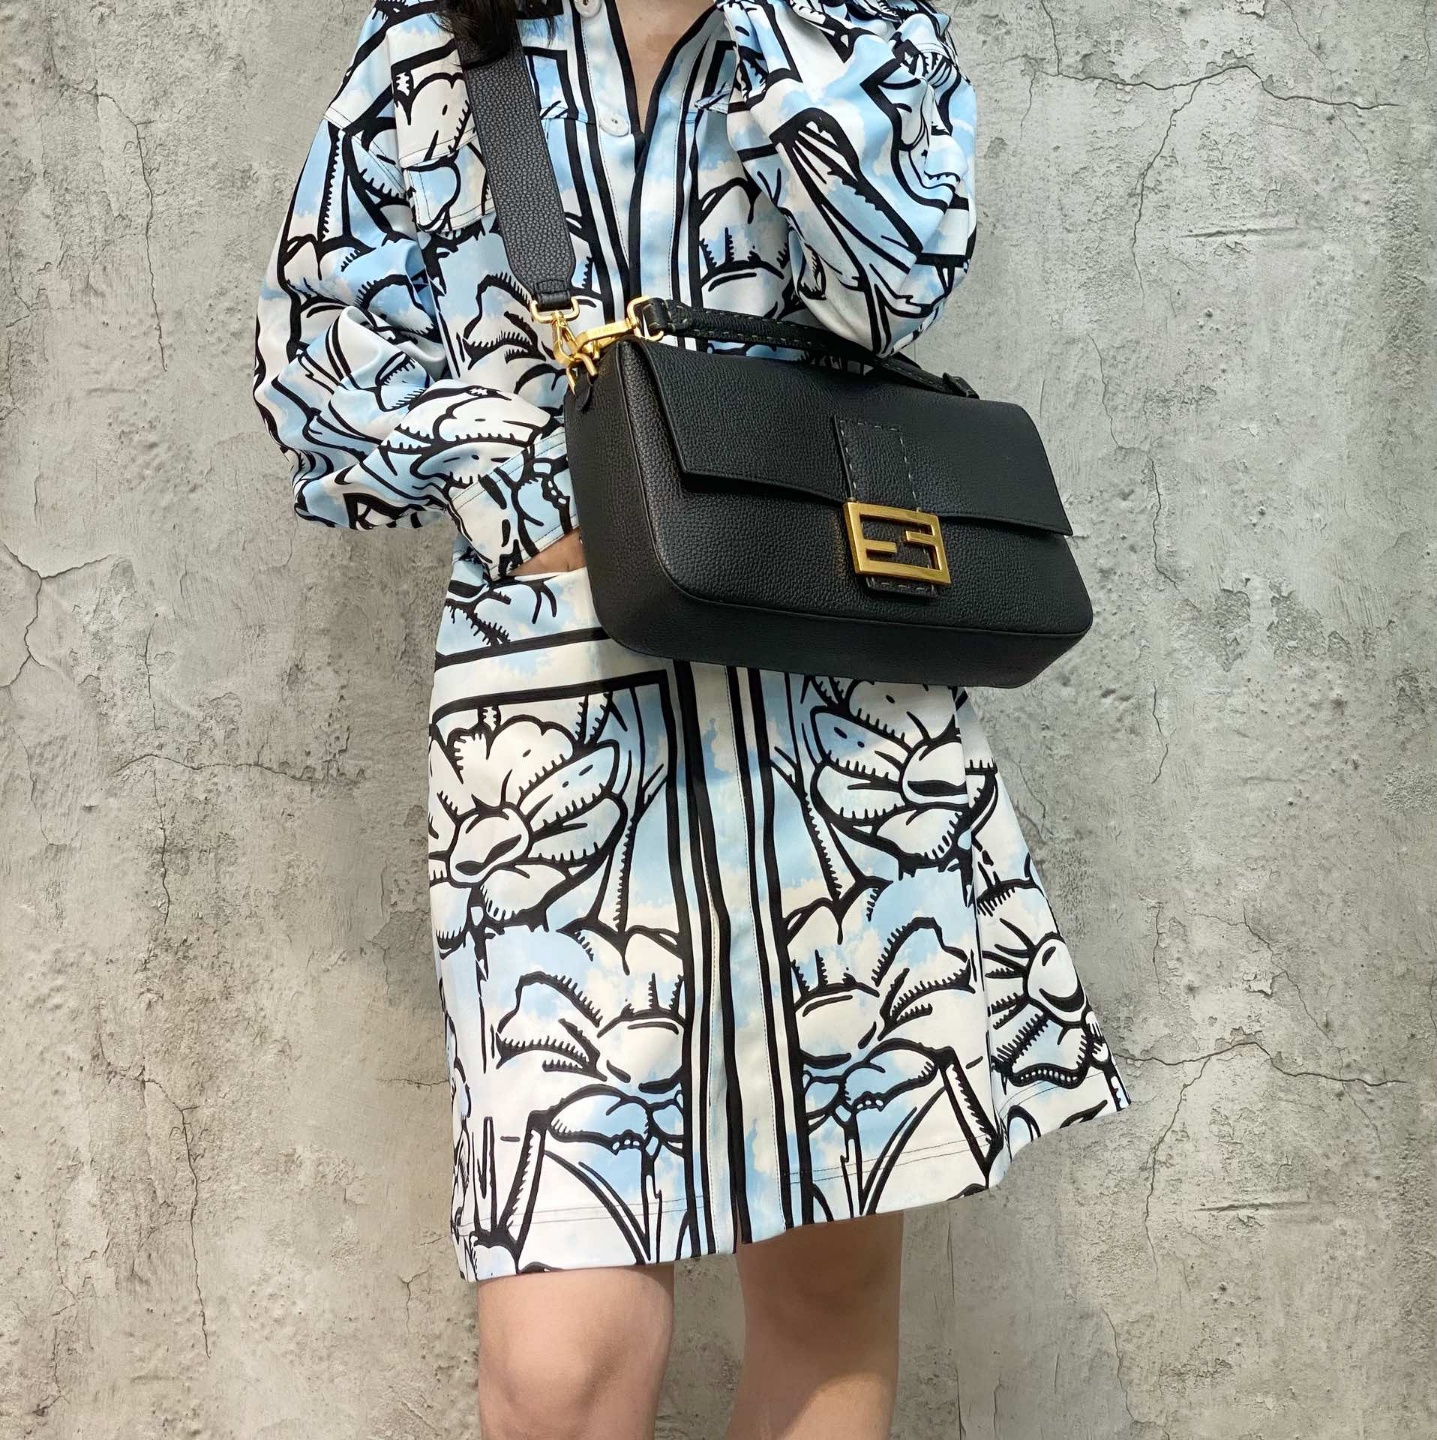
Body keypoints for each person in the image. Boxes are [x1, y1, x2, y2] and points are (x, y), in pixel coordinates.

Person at [252, 0, 1130, 1434]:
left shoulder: (854, 22)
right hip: (553, 752)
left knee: (828, 1289)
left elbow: (892, 282)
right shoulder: (433, 40)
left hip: (841, 720)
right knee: (555, 1368)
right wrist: (534, 485)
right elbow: (316, 362)